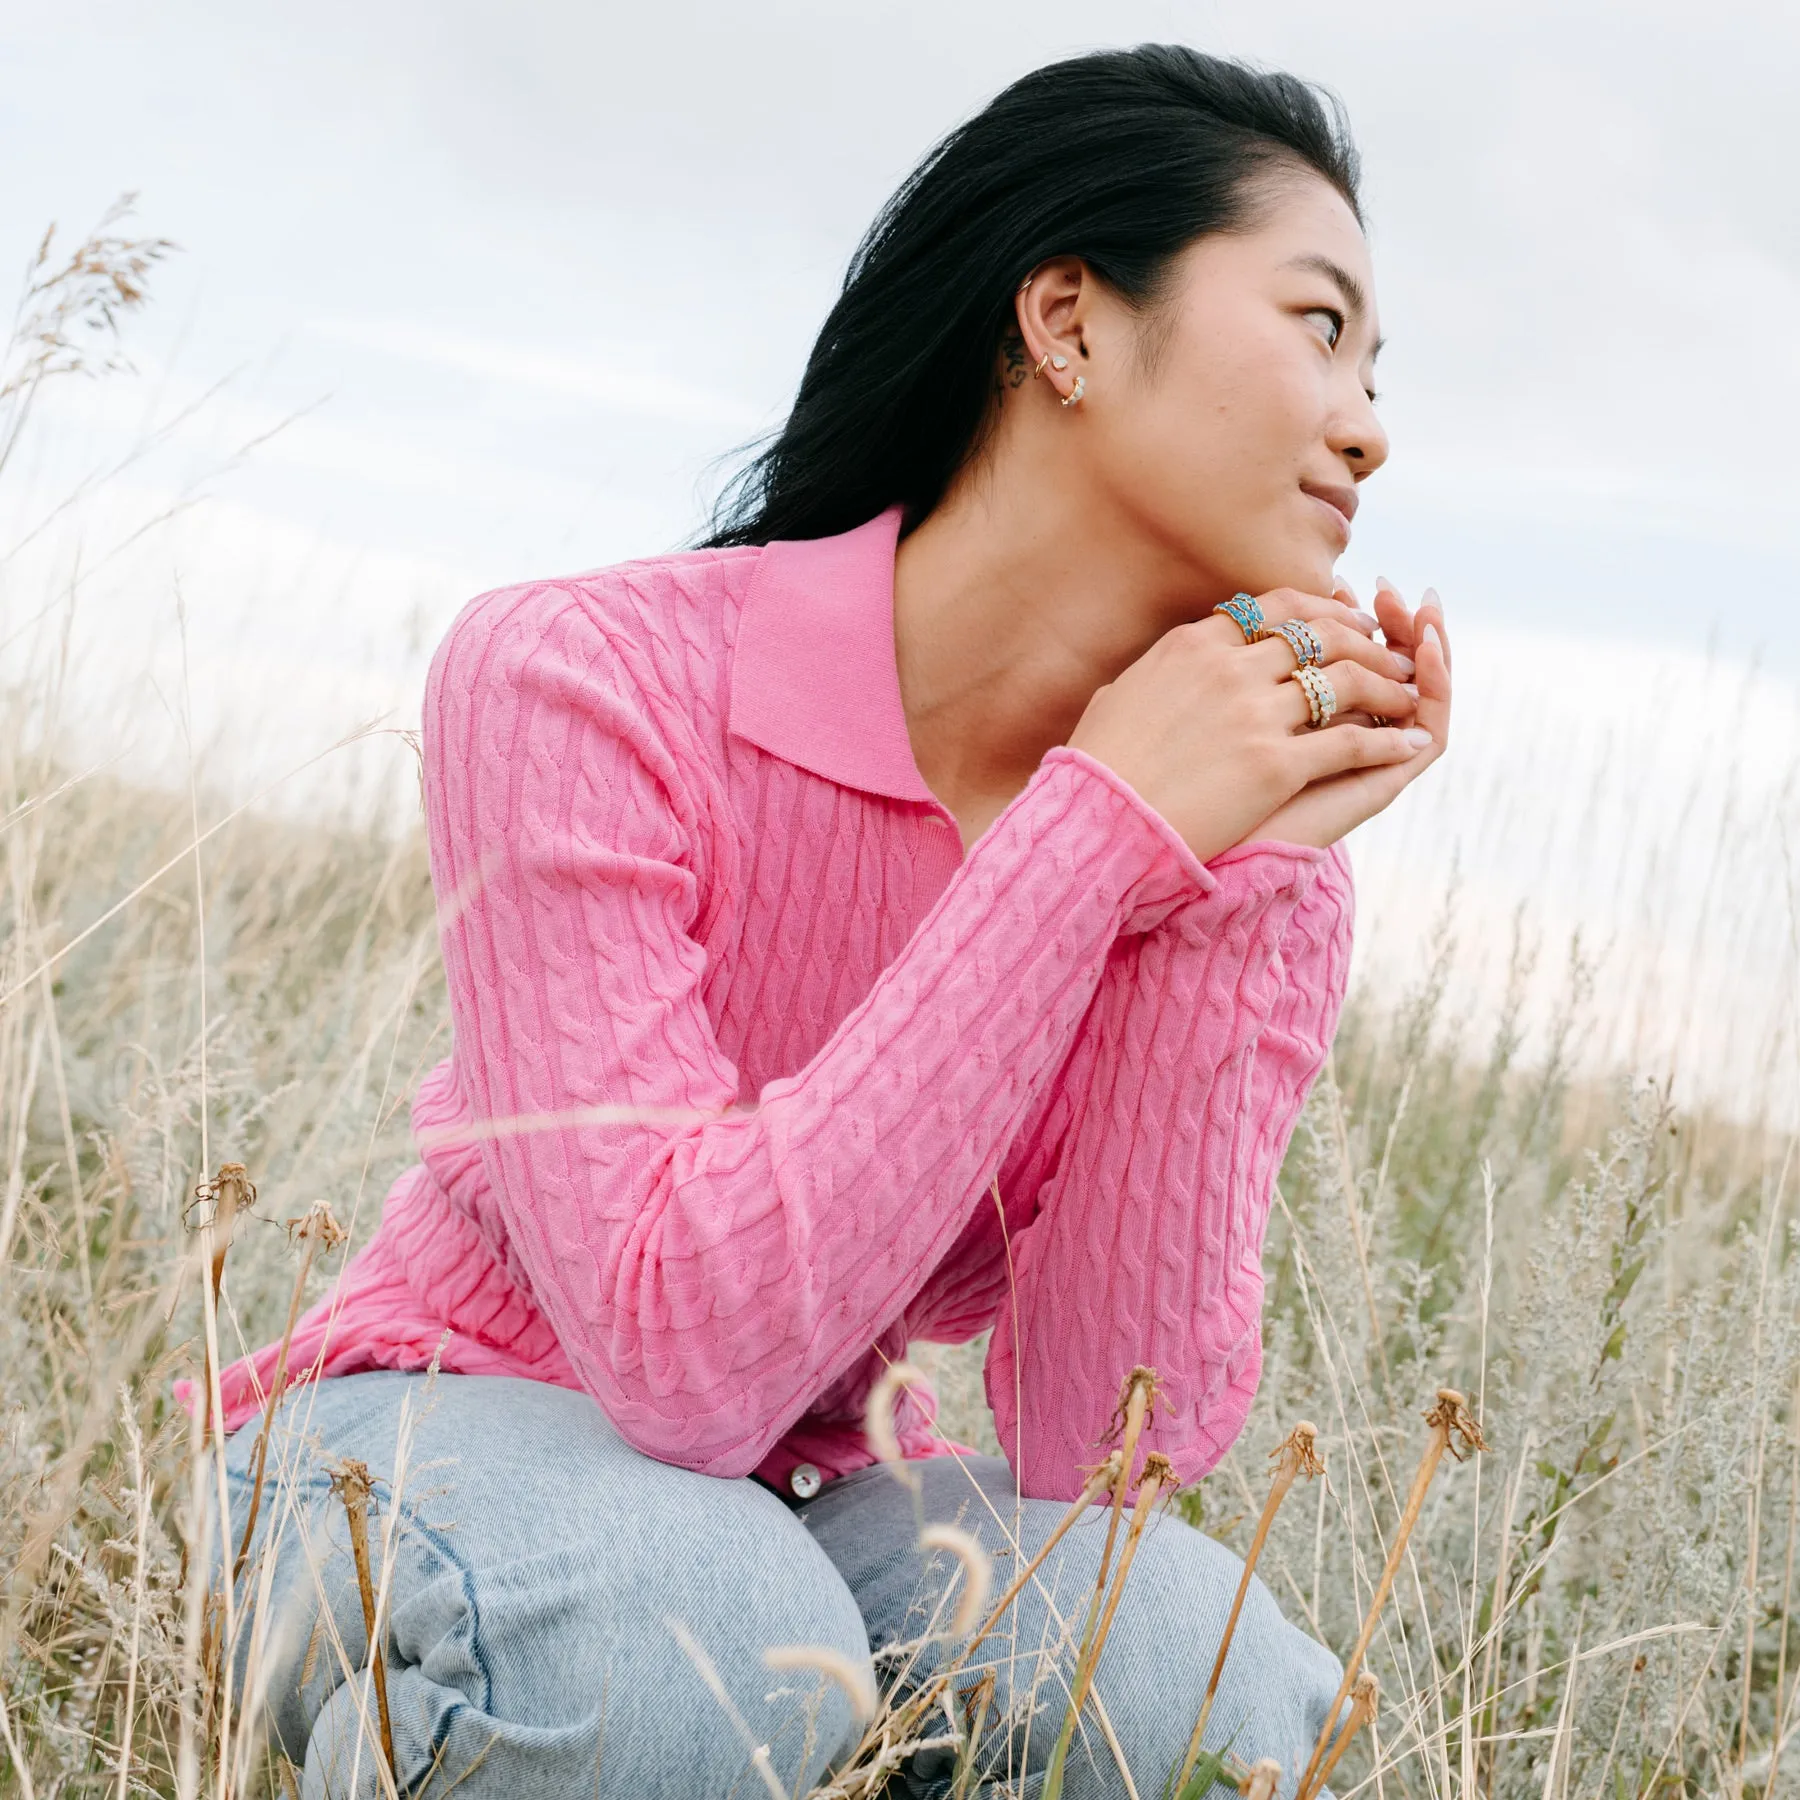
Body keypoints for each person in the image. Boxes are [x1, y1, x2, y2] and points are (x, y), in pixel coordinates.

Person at [214, 42, 1450, 1800]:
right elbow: (672, 1356)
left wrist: (1224, 888)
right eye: (1320, 325)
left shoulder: (1204, 841)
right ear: (1071, 323)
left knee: (1198, 1680)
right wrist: (1096, 837)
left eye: (1379, 364)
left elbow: (1102, 1457)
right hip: (407, 1440)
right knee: (689, 1643)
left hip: (806, 1504)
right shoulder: (585, 675)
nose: (1370, 423)